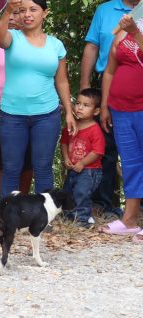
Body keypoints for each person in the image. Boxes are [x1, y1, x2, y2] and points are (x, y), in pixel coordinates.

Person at [0, 0, 76, 197]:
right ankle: (7, 216)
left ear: (44, 13)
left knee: (43, 167)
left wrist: (68, 111)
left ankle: (43, 218)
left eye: (33, 10)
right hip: (12, 114)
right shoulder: (13, 37)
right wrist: (8, 12)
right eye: (22, 11)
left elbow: (62, 80)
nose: (27, 15)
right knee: (11, 167)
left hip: (46, 114)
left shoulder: (56, 45)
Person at [81, 0, 143, 218]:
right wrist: (86, 88)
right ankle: (106, 206)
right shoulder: (105, 11)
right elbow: (92, 47)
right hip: (109, 91)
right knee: (106, 152)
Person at [100, 13, 143, 237]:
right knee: (131, 163)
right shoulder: (125, 26)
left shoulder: (133, 28)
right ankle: (130, 220)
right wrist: (106, 105)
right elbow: (109, 70)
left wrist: (135, 31)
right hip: (121, 109)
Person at [0, 15, 33, 195]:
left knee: (28, 156)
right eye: (8, 13)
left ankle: (23, 202)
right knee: (0, 155)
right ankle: (6, 203)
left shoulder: (34, 36)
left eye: (18, 12)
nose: (12, 17)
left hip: (27, 104)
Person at [60, 88, 106, 227]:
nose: (80, 107)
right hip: (73, 168)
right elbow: (64, 142)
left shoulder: (95, 130)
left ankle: (82, 220)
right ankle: (69, 216)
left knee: (81, 193)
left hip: (89, 171)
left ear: (96, 111)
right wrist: (66, 158)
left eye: (86, 105)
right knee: (68, 192)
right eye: (78, 103)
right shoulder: (72, 124)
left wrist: (82, 162)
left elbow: (97, 152)